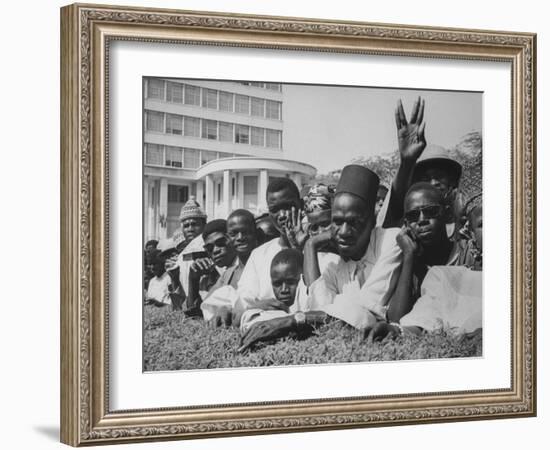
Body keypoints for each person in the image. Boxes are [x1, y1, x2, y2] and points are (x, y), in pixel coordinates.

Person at [304, 164, 403, 329]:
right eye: (337, 221)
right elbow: (318, 309)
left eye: (353, 222)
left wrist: (299, 319)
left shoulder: (390, 240)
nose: (344, 232)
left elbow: (364, 312)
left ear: (371, 221)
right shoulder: (332, 263)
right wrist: (310, 245)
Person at [384, 182, 480, 326]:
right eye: (413, 216)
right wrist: (409, 256)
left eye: (431, 212)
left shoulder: (469, 253)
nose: (422, 220)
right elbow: (396, 319)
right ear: (406, 224)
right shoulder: (412, 265)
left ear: (447, 214)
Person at [377, 97, 463, 236]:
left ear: (451, 180)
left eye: (439, 177)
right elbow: (388, 219)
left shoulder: (465, 222)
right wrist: (407, 162)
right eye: (426, 179)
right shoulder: (412, 226)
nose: (433, 183)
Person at [236, 177, 306, 308]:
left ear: (301, 205)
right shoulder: (258, 255)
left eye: (288, 206)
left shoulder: (315, 250)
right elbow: (244, 300)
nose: (282, 215)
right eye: (275, 210)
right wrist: (260, 306)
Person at [238, 249, 314, 351]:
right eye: (277, 284)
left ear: (303, 279)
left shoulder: (311, 301)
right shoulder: (268, 310)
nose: (284, 290)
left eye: (291, 282)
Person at [185, 219, 237, 317]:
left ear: (232, 239)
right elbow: (194, 312)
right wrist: (193, 279)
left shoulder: (244, 266)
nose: (215, 250)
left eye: (221, 243)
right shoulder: (220, 272)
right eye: (209, 248)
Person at [175, 197, 208, 297]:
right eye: (186, 226)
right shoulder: (181, 255)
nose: (190, 229)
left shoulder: (210, 248)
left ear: (204, 225)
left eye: (194, 224)